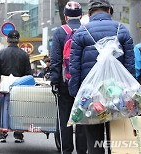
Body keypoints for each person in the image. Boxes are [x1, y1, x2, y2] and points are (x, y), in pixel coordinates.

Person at [69, 0, 135, 154]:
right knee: (118, 137)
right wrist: (131, 93)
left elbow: (74, 67)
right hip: (117, 94)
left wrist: (75, 93)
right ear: (109, 11)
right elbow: (130, 66)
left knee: (94, 139)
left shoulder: (81, 33)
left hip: (92, 95)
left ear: (90, 14)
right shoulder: (122, 30)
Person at [50, 1, 88, 154]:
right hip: (83, 83)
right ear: (81, 16)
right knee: (81, 118)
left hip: (65, 82)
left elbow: (56, 59)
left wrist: (54, 80)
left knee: (65, 118)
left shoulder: (60, 32)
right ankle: (82, 150)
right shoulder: (87, 30)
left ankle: (66, 150)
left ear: (65, 16)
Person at [0, 30, 32, 143]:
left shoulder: (1, 53)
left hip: (4, 83)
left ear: (7, 40)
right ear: (18, 40)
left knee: (2, 107)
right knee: (20, 108)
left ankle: (2, 133)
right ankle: (18, 133)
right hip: (19, 84)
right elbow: (28, 73)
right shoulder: (24, 55)